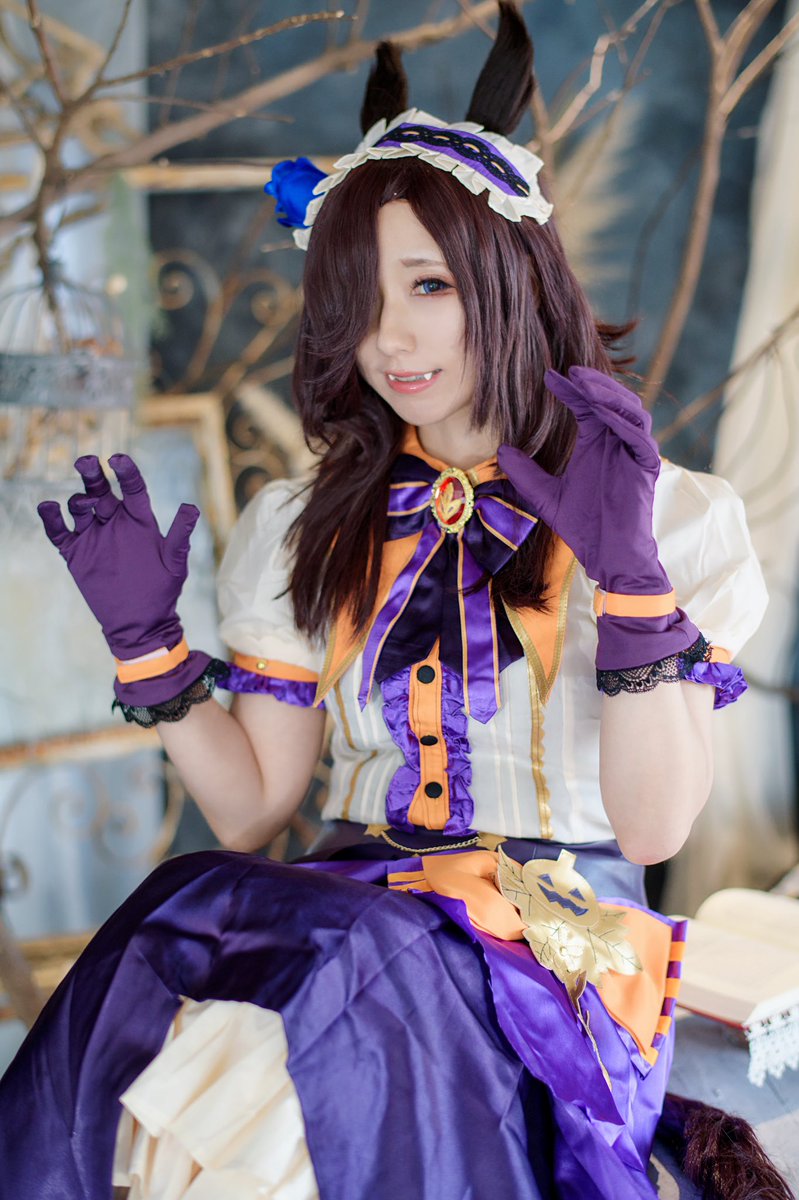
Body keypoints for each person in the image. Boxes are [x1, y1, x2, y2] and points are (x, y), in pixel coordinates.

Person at [0, 6, 782, 1199]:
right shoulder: (305, 520)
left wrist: (627, 577)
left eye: (429, 284)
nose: (390, 338)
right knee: (183, 927)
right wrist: (149, 647)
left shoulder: (666, 515)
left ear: (511, 282)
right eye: (359, 296)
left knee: (339, 990)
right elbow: (253, 809)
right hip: (346, 907)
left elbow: (652, 830)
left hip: (554, 942)